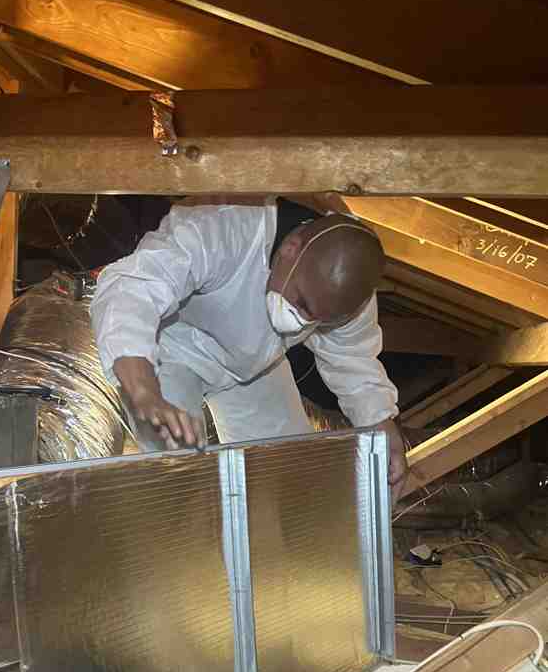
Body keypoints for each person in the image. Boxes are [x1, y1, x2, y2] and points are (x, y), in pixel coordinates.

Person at [90, 197, 407, 499]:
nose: (301, 323)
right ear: (290, 248)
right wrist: (144, 391)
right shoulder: (221, 226)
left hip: (256, 365)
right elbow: (132, 290)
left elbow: (352, 359)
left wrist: (383, 425)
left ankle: (266, 551)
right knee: (176, 473)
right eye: (301, 303)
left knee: (287, 471)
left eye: (317, 321)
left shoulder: (347, 296)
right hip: (172, 346)